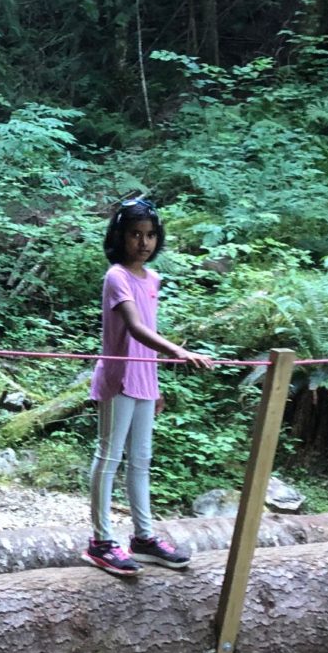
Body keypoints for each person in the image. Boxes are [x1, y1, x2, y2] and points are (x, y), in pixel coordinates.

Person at [85, 196, 213, 577]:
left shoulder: (152, 279)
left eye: (150, 235)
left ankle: (143, 537)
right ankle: (101, 541)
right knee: (109, 456)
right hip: (119, 376)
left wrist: (156, 385)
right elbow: (135, 327)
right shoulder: (117, 276)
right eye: (135, 234)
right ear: (120, 237)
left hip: (144, 378)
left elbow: (148, 336)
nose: (143, 242)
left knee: (141, 459)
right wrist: (179, 351)